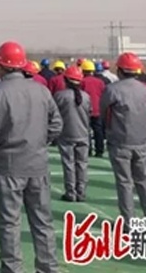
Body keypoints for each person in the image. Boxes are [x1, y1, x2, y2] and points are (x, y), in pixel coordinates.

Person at [0, 41, 62, 273]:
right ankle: (47, 267)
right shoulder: (41, 90)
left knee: (9, 222)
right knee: (43, 221)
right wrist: (39, 143)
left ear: (1, 65)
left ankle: (12, 268)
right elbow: (56, 124)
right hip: (37, 164)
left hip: (8, 165)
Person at [100, 52, 146, 230]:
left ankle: (128, 222)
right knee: (145, 181)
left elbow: (104, 112)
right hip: (141, 141)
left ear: (119, 70)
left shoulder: (113, 89)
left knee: (125, 183)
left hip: (120, 141)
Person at [54, 66, 91, 202]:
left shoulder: (60, 96)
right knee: (82, 164)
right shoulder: (86, 97)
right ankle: (81, 192)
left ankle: (70, 192)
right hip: (83, 133)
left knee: (68, 164)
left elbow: (53, 114)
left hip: (66, 134)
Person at [81, 61, 107, 158]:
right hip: (98, 109)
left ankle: (88, 150)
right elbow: (104, 94)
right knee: (98, 131)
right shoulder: (100, 82)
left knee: (86, 130)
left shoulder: (82, 82)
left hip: (85, 109)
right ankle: (99, 150)